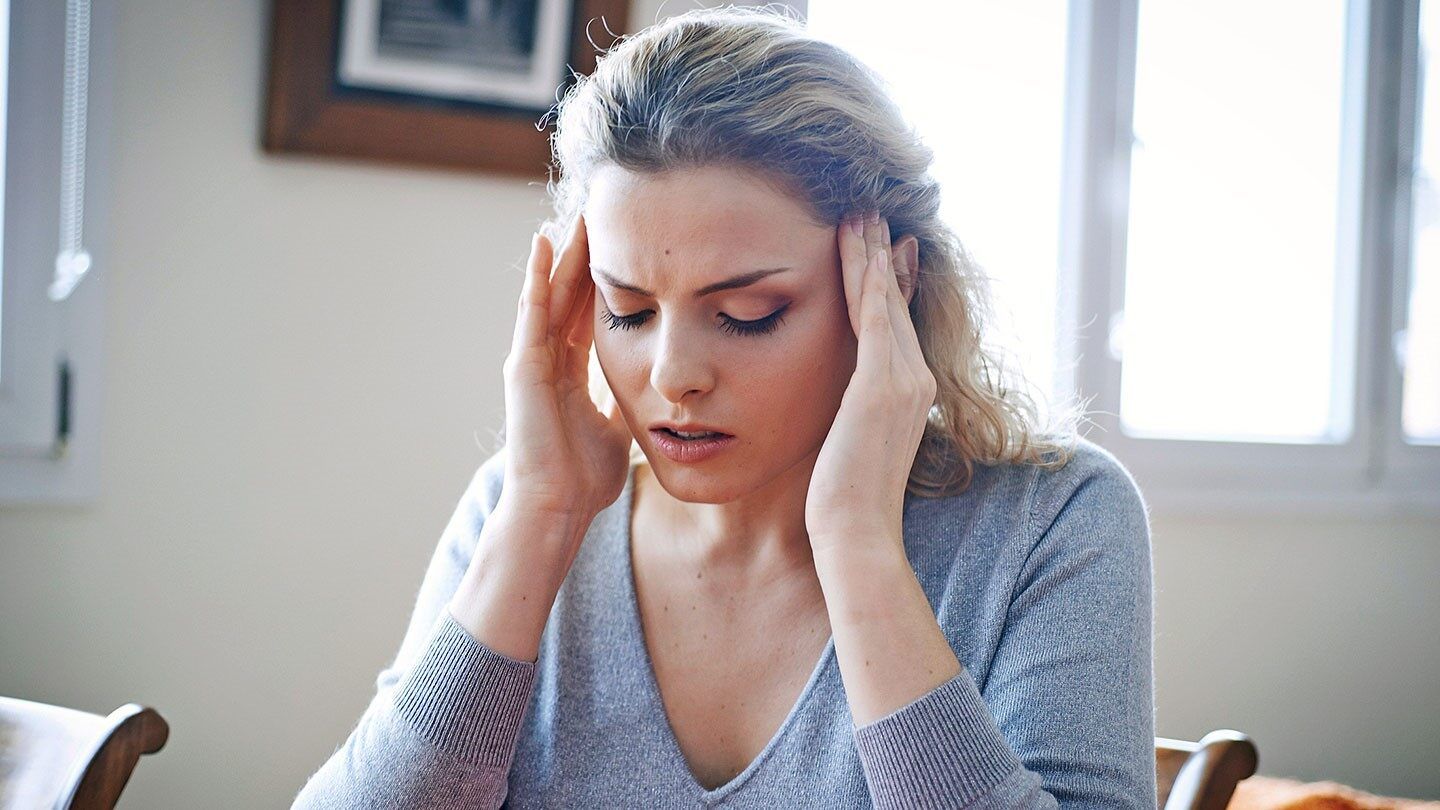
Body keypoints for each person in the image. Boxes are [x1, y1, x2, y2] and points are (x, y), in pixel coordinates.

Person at [293, 5, 1155, 808]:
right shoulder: (516, 509)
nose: (672, 375)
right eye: (627, 309)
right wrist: (539, 521)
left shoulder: (1053, 523)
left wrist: (858, 544)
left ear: (886, 287)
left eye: (747, 314)